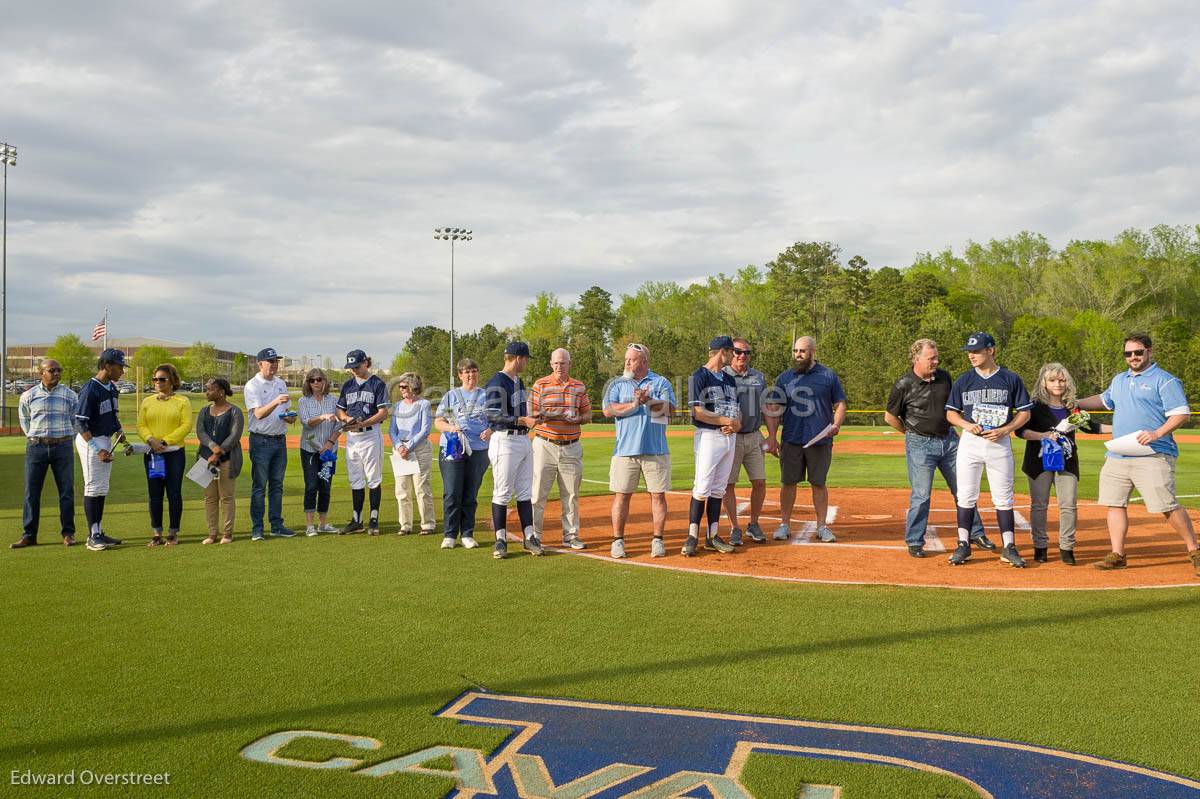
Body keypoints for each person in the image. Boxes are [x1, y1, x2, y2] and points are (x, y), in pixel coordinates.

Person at [1077, 334, 1199, 574]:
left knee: (1166, 505)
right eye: (1128, 353)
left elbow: (1181, 413)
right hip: (1119, 454)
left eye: (1138, 352)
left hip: (1153, 453)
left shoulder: (1165, 380)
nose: (1133, 357)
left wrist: (1157, 433)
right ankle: (1118, 554)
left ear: (1149, 352)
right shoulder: (1120, 380)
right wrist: (1074, 401)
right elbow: (1103, 400)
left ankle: (1194, 549)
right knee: (1114, 504)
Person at [884, 339, 988, 558]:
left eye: (936, 357)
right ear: (917, 359)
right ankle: (914, 541)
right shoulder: (903, 384)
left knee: (964, 490)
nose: (936, 361)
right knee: (921, 495)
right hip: (920, 443)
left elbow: (953, 407)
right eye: (931, 358)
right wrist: (909, 432)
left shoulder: (944, 377)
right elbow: (890, 417)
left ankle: (976, 532)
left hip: (950, 441)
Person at [944, 332, 1032, 568]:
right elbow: (951, 412)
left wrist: (1007, 430)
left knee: (1003, 497)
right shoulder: (964, 380)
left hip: (998, 442)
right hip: (970, 443)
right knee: (965, 494)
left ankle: (1009, 547)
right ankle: (963, 544)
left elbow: (1025, 411)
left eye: (976, 351)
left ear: (990, 351)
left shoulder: (1010, 379)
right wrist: (965, 424)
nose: (971, 355)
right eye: (969, 352)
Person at [1017, 363, 1104, 565]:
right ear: (1044, 382)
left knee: (1069, 505)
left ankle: (1067, 547)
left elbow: (1094, 427)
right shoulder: (1034, 405)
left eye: (1062, 380)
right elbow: (1020, 432)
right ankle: (1040, 547)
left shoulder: (1072, 407)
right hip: (1039, 461)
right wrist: (1044, 436)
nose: (1058, 384)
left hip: (1067, 461)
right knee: (1039, 505)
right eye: (1053, 380)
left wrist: (1124, 428)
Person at [764, 336, 846, 544]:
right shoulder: (785, 378)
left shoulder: (828, 376)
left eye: (802, 351)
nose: (797, 355)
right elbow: (773, 408)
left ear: (812, 351)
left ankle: (821, 526)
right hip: (792, 439)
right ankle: (784, 524)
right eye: (795, 351)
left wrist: (836, 425)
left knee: (819, 483)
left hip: (820, 440)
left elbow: (840, 403)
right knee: (788, 482)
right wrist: (772, 436)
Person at [603, 342, 677, 559]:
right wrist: (635, 403)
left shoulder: (660, 381)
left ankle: (658, 540)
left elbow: (670, 410)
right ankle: (618, 541)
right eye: (626, 358)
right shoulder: (617, 383)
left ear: (644, 362)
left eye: (632, 359)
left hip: (656, 450)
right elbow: (609, 411)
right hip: (625, 451)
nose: (627, 362)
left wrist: (649, 401)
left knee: (658, 497)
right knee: (622, 497)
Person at [684, 336, 741, 557]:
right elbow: (697, 411)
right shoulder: (699, 376)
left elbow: (736, 410)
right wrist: (726, 421)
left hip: (729, 437)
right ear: (722, 352)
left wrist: (735, 424)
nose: (735, 356)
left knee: (719, 489)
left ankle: (713, 536)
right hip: (709, 436)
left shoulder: (729, 379)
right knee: (702, 487)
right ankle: (692, 536)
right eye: (732, 352)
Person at [11, 359, 77, 549]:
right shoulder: (28, 396)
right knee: (31, 493)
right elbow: (25, 422)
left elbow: (75, 421)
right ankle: (29, 535)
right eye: (52, 370)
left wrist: (64, 438)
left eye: (59, 370)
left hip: (62, 447)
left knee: (66, 492)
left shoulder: (70, 395)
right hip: (36, 448)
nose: (56, 373)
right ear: (41, 373)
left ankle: (68, 533)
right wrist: (36, 437)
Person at [529, 348, 591, 550]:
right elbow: (531, 412)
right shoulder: (541, 384)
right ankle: (535, 535)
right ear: (550, 364)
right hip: (544, 443)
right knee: (538, 493)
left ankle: (571, 535)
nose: (559, 367)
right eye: (556, 363)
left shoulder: (578, 386)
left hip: (571, 445)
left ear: (569, 364)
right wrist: (550, 414)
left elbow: (588, 415)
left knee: (571, 494)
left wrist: (578, 418)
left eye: (563, 363)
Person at [484, 341, 541, 559]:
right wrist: (521, 419)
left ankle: (529, 536)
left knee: (525, 492)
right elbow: (491, 414)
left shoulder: (519, 381)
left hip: (523, 440)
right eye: (526, 359)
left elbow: (522, 412)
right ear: (518, 358)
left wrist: (532, 418)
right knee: (503, 492)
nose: (526, 362)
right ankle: (500, 540)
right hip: (505, 441)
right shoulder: (497, 382)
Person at [74, 348, 128, 551]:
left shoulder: (112, 388)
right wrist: (97, 449)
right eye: (120, 366)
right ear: (107, 366)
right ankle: (92, 535)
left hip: (105, 440)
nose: (122, 371)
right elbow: (80, 424)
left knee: (102, 487)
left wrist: (119, 432)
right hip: (91, 441)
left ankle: (99, 531)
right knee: (93, 487)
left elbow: (113, 416)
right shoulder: (90, 388)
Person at [435, 359, 491, 550]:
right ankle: (450, 534)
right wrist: (452, 428)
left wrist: (491, 429)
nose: (471, 375)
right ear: (460, 375)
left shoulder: (487, 396)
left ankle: (467, 533)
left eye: (474, 371)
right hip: (453, 448)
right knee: (452, 491)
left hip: (479, 449)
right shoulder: (451, 396)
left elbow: (497, 419)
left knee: (470, 492)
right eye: (466, 372)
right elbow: (439, 422)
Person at [244, 347, 298, 541]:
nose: (275, 364)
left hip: (279, 439)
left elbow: (284, 413)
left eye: (276, 361)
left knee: (277, 485)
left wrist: (290, 418)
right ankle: (257, 529)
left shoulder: (281, 383)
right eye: (271, 361)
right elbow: (258, 414)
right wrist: (275, 402)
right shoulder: (252, 385)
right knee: (259, 486)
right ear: (260, 364)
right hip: (261, 440)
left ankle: (276, 525)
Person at [137, 363, 192, 546]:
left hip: (174, 454)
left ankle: (173, 533)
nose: (158, 382)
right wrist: (150, 440)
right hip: (154, 455)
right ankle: (157, 533)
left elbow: (186, 425)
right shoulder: (147, 401)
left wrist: (165, 441)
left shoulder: (182, 401)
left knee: (174, 493)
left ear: (172, 381)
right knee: (155, 494)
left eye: (162, 379)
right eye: (155, 379)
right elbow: (141, 425)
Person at [336, 350, 390, 535]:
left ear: (366, 363)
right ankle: (357, 520)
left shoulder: (378, 384)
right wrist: (346, 420)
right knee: (355, 479)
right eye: (351, 368)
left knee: (373, 478)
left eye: (357, 366)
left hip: (370, 435)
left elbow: (383, 413)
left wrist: (363, 423)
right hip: (352, 437)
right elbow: (340, 410)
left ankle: (374, 519)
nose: (354, 371)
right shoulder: (348, 385)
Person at [721, 338, 769, 545]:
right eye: (738, 352)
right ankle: (734, 527)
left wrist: (772, 436)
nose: (742, 356)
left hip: (753, 435)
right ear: (730, 353)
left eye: (746, 353)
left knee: (759, 482)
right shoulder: (720, 375)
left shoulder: (758, 377)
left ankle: (754, 524)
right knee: (728, 484)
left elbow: (767, 407)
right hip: (730, 438)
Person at [196, 377, 243, 544]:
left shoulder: (235, 411)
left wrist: (218, 452)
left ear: (221, 392)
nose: (206, 392)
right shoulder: (203, 411)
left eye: (210, 389)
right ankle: (212, 533)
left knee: (227, 497)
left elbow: (235, 435)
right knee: (209, 498)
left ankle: (227, 533)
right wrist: (212, 447)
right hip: (205, 460)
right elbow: (201, 432)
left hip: (227, 459)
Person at [390, 371, 436, 535]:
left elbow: (425, 430)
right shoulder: (397, 406)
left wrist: (407, 446)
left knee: (422, 488)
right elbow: (392, 431)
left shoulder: (423, 404)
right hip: (400, 450)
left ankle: (428, 524)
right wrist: (398, 446)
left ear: (414, 386)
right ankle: (405, 524)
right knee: (402, 489)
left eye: (404, 386)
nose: (401, 389)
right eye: (400, 386)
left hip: (419, 449)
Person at [298, 368, 340, 535]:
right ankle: (310, 525)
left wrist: (330, 443)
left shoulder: (333, 400)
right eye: (312, 380)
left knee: (325, 486)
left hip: (329, 450)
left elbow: (339, 425)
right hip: (310, 450)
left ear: (325, 381)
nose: (316, 383)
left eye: (319, 379)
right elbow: (307, 423)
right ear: (308, 383)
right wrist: (322, 416)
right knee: (311, 485)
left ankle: (323, 524)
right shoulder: (303, 401)